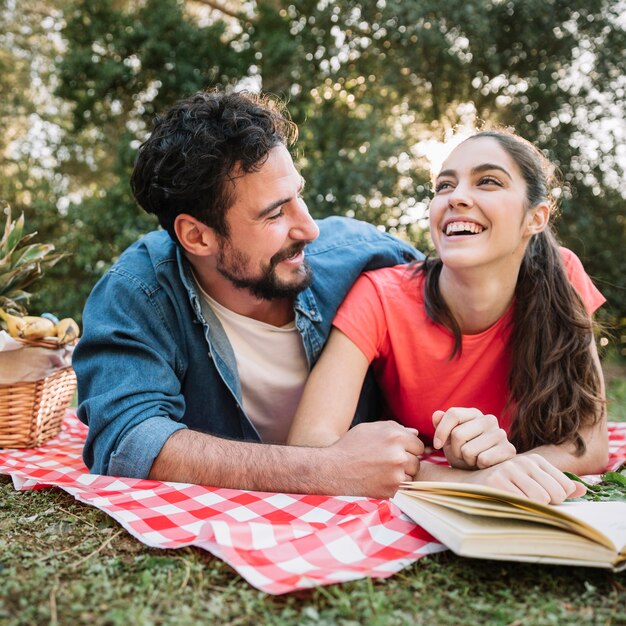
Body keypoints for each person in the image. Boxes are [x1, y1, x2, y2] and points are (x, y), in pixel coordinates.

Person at [73, 89, 425, 497]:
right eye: (275, 214)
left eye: (299, 195)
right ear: (197, 236)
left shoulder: (366, 255)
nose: (308, 228)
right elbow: (127, 441)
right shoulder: (138, 292)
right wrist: (324, 470)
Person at [288, 129, 608, 504]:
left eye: (488, 181)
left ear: (535, 218)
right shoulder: (380, 295)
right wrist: (470, 480)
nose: (456, 197)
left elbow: (590, 443)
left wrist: (510, 467)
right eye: (444, 186)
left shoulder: (563, 275)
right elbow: (310, 444)